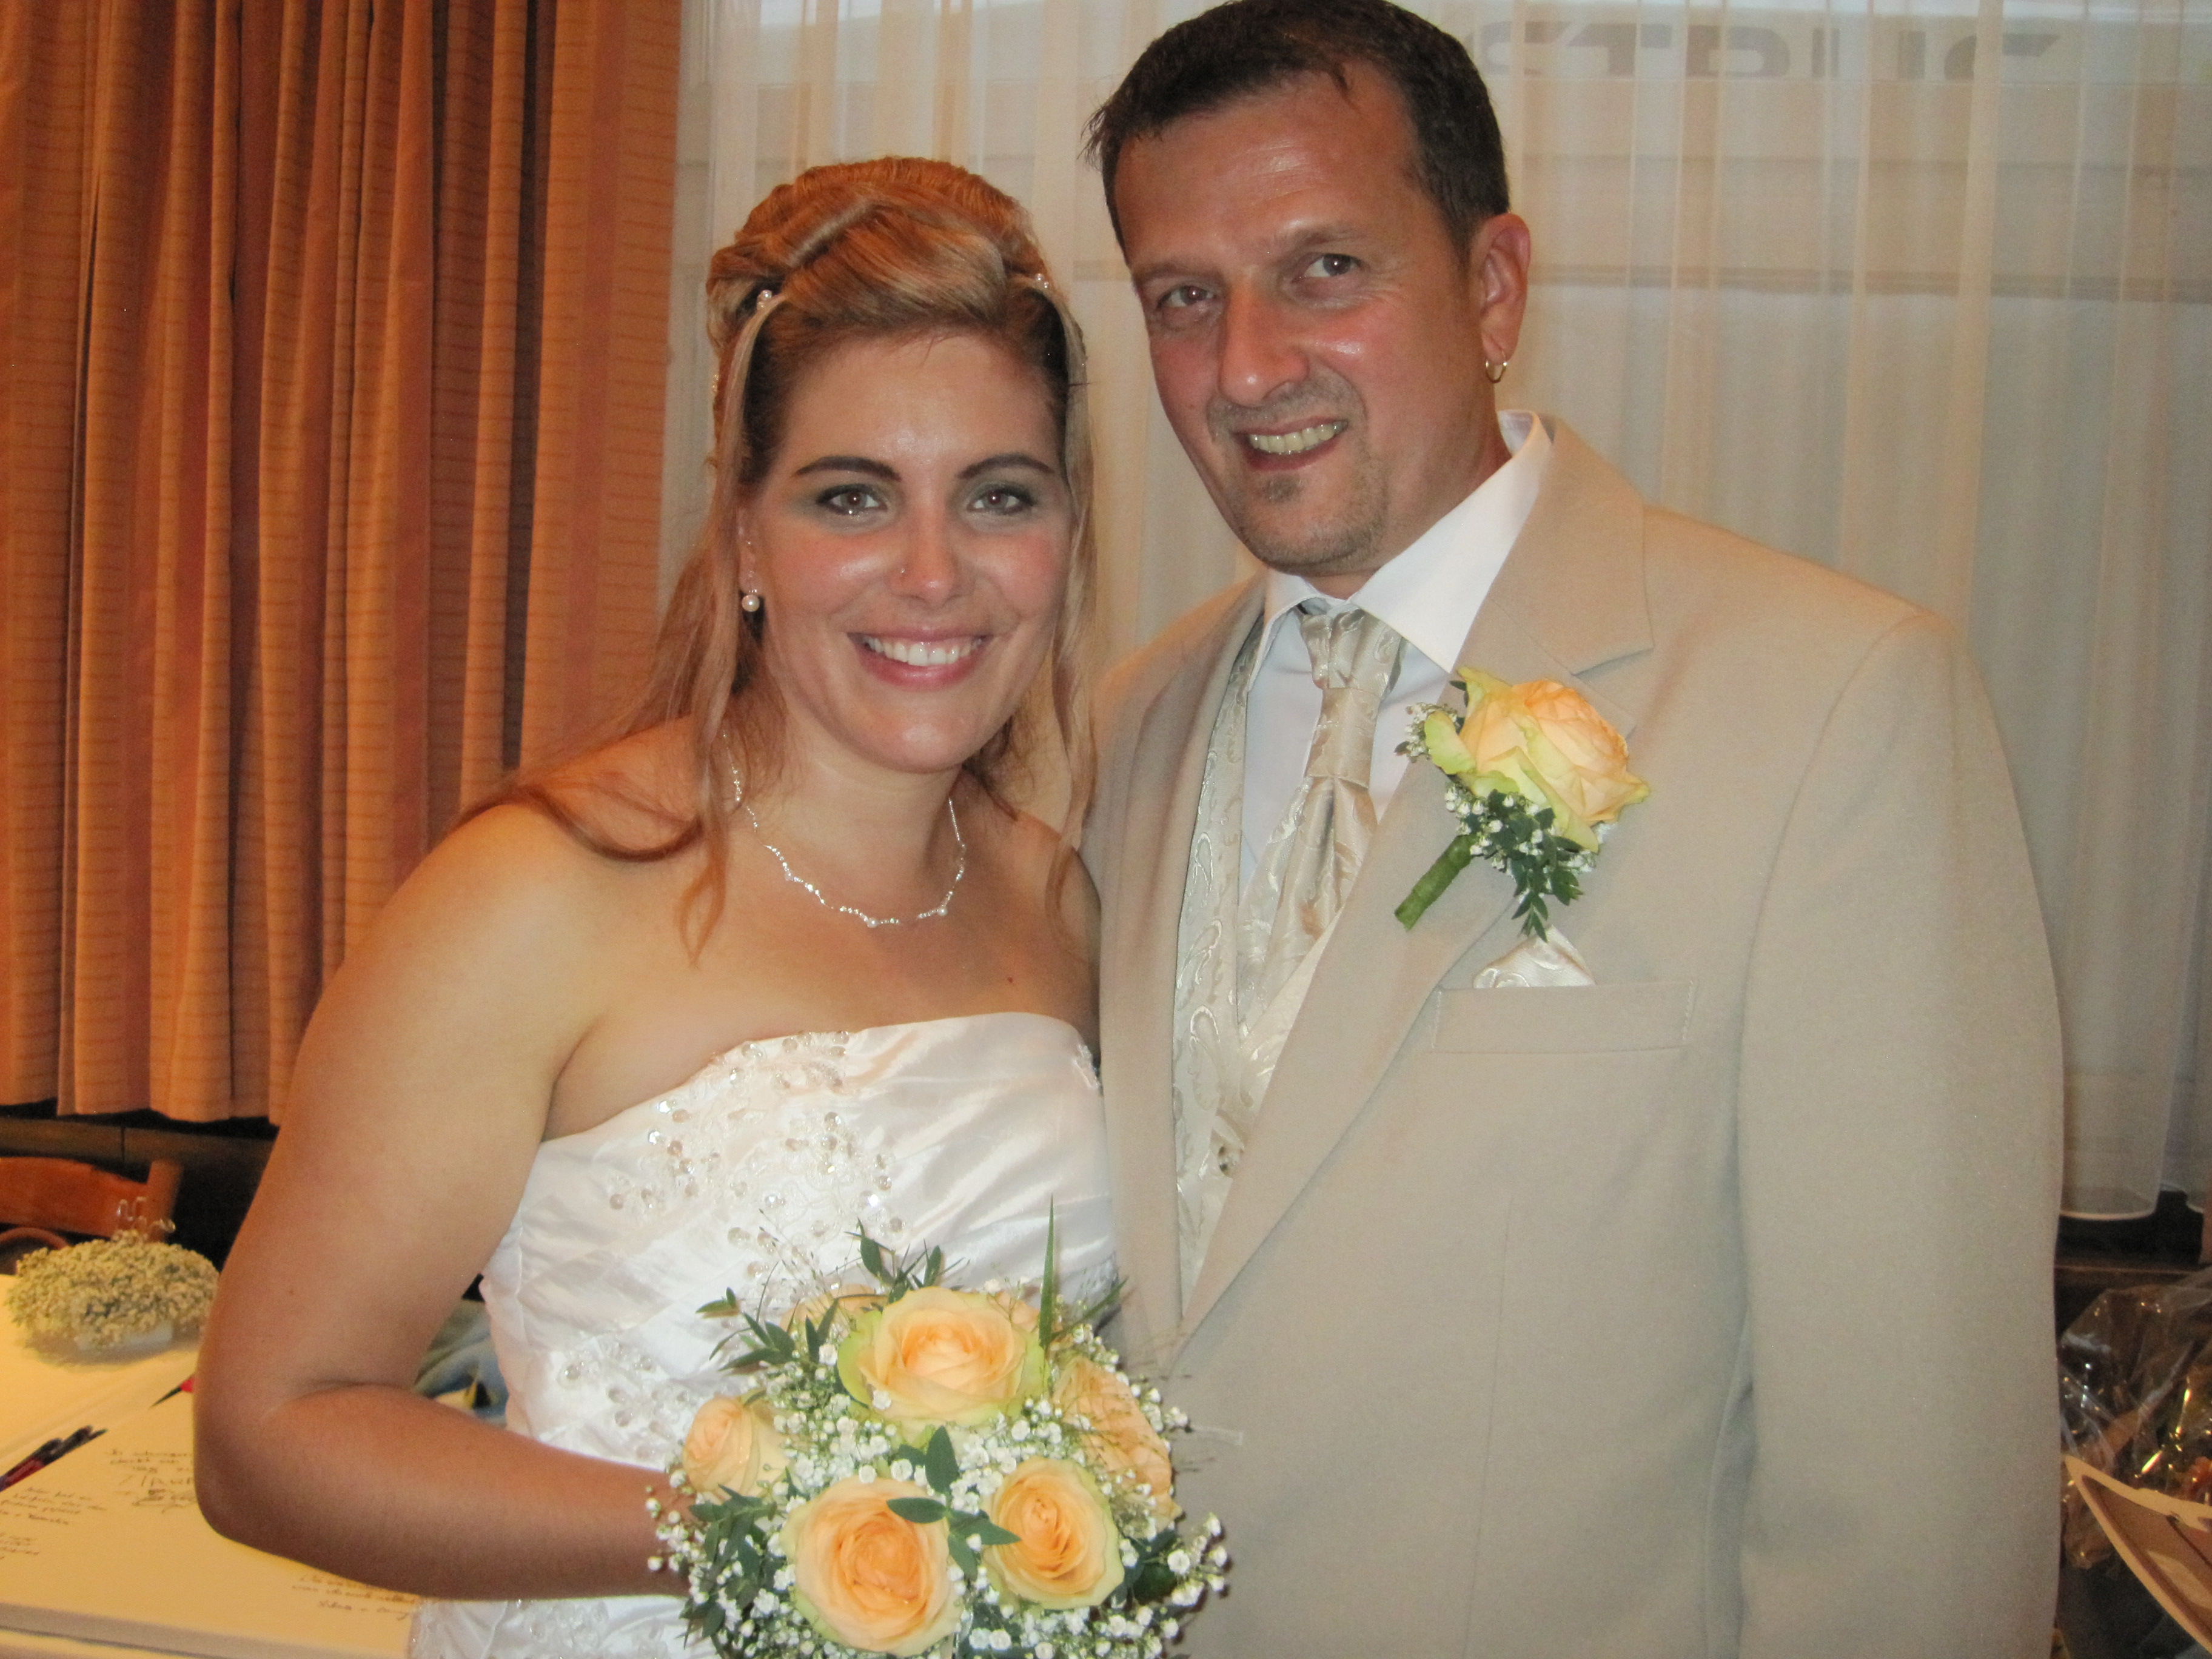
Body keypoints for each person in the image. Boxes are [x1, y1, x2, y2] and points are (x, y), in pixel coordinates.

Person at [1080, 2, 2063, 1654]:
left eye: (1326, 269)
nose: (1245, 367)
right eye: (1185, 297)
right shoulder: (1132, 723)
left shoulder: (1835, 706)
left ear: (1493, 287)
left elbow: (1917, 1489)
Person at [194, 158, 1112, 1659]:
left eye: (999, 496)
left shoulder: (1055, 899)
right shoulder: (540, 892)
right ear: (743, 534)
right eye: (852, 497)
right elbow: (266, 1437)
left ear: (1065, 532)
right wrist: (795, 1534)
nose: (934, 572)